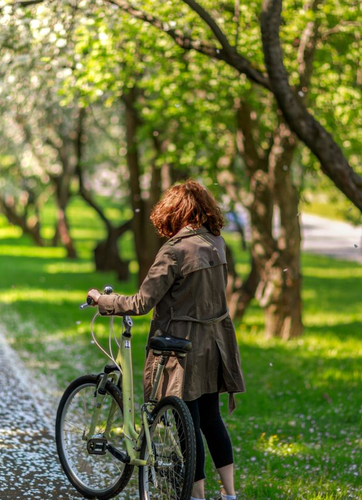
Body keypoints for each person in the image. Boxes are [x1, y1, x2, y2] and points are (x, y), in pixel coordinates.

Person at [87, 180, 246, 500]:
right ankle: (230, 493)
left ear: (174, 211)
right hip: (214, 343)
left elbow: (141, 303)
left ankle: (197, 495)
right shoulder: (216, 242)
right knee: (211, 419)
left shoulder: (174, 251)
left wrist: (103, 301)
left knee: (188, 424)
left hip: (180, 349)